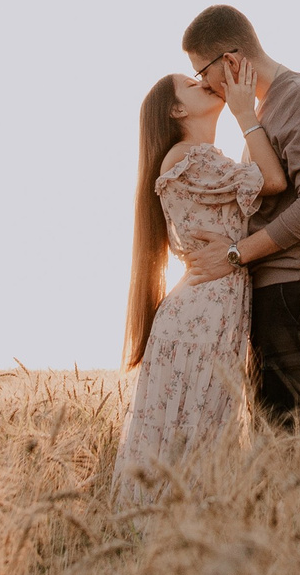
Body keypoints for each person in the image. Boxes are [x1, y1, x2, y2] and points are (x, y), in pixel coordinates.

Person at [175, 5, 300, 431]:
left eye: (203, 73)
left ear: (231, 62)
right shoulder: (266, 109)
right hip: (283, 292)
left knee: (293, 443)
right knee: (280, 442)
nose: (206, 85)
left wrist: (234, 254)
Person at [113, 67, 288, 497]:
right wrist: (246, 111)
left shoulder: (208, 160)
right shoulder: (188, 157)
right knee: (191, 426)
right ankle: (162, 536)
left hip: (211, 310)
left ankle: (179, 537)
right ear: (176, 110)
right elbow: (275, 180)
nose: (203, 83)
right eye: (192, 86)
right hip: (201, 315)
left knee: (200, 426)